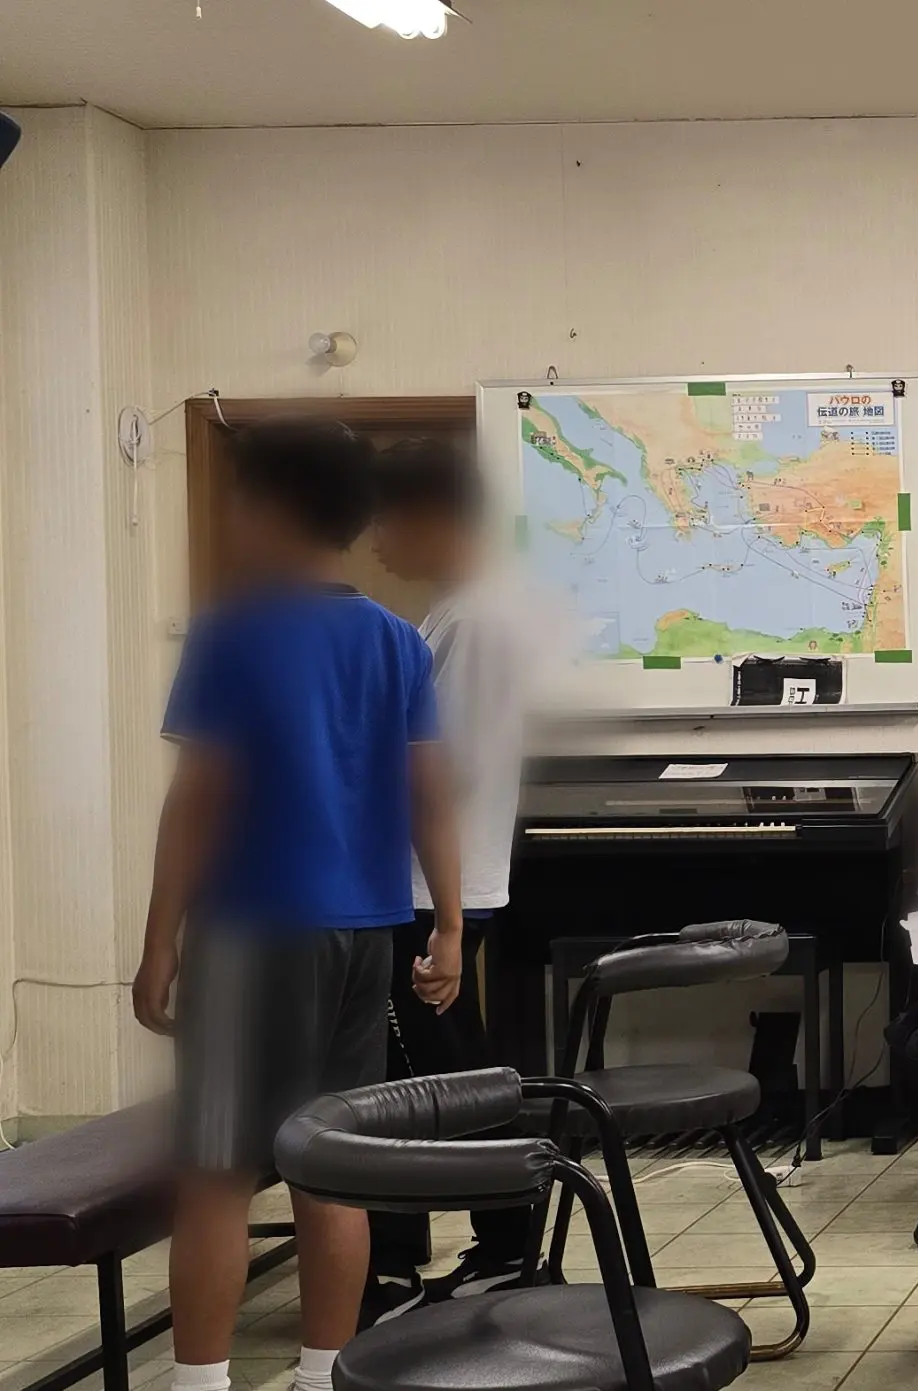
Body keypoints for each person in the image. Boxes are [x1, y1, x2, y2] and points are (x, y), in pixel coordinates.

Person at [137, 420, 463, 1391]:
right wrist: (448, 922)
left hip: (253, 930)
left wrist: (160, 940)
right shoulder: (396, 641)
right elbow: (429, 792)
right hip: (366, 932)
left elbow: (199, 798)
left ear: (270, 509)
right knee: (332, 1165)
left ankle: (200, 1383)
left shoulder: (232, 632)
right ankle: (325, 1373)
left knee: (214, 1174)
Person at [361, 438, 549, 1319]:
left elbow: (446, 770)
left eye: (385, 521)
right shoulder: (455, 612)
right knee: (424, 1072)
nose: (375, 542)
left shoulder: (472, 620)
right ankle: (425, 1252)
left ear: (433, 518)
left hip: (425, 885)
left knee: (437, 1078)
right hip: (429, 881)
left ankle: (499, 1248)